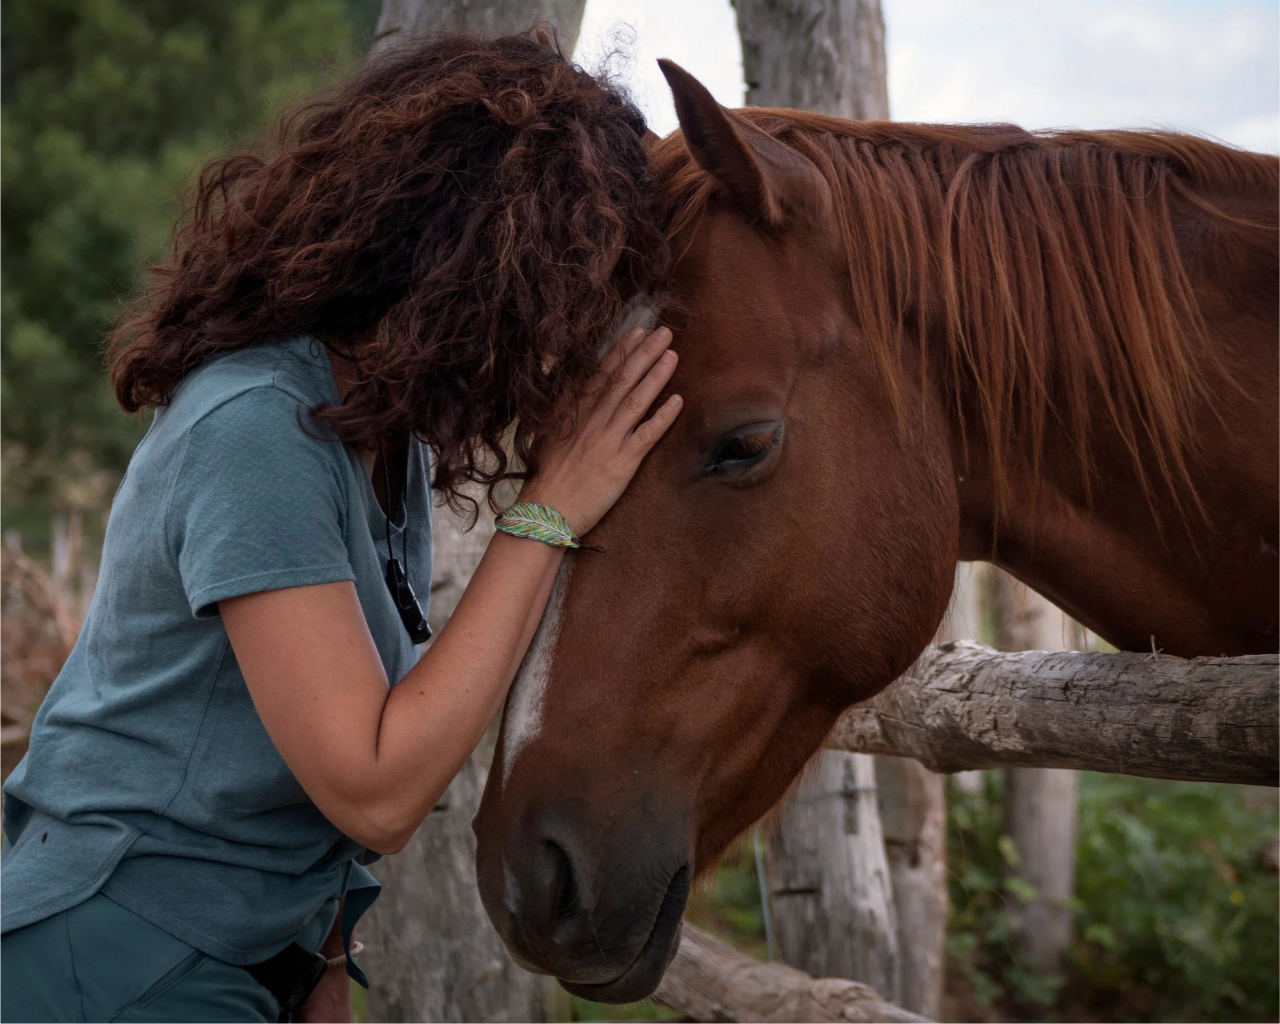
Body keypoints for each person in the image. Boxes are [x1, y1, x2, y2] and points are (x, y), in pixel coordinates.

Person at [0, 33, 681, 1024]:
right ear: (464, 268)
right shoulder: (256, 429)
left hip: (240, 960)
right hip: (114, 958)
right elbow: (370, 788)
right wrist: (550, 509)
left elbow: (298, 780)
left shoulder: (374, 434)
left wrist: (317, 965)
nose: (565, 341)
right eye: (558, 297)